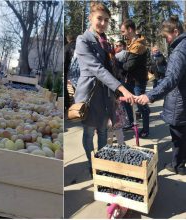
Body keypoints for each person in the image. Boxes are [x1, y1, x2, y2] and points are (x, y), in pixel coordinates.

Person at [74, 2, 134, 172]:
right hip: (89, 94)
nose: (103, 23)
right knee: (88, 132)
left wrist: (116, 92)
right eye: (99, 18)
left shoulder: (105, 43)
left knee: (102, 131)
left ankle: (100, 163)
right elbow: (97, 69)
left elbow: (111, 69)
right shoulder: (83, 40)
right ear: (90, 18)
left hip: (105, 94)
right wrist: (121, 88)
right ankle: (90, 162)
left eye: (106, 20)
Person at [135, 16, 186, 175]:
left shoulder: (179, 51)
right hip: (182, 100)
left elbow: (171, 79)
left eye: (167, 36)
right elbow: (175, 72)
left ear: (175, 31)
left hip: (179, 102)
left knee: (178, 137)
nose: (167, 40)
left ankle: (178, 166)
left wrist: (150, 95)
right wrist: (162, 63)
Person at [120, 19, 150, 137]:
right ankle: (132, 123)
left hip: (138, 80)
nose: (122, 34)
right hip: (130, 79)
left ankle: (146, 129)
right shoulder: (131, 42)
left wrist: (119, 64)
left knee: (141, 104)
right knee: (127, 101)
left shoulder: (138, 44)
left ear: (130, 29)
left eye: (123, 31)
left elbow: (129, 65)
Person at [64, 34, 77, 112]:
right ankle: (81, 106)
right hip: (81, 70)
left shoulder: (66, 47)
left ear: (68, 39)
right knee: (78, 87)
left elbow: (65, 60)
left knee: (67, 88)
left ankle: (67, 104)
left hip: (69, 70)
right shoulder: (80, 45)